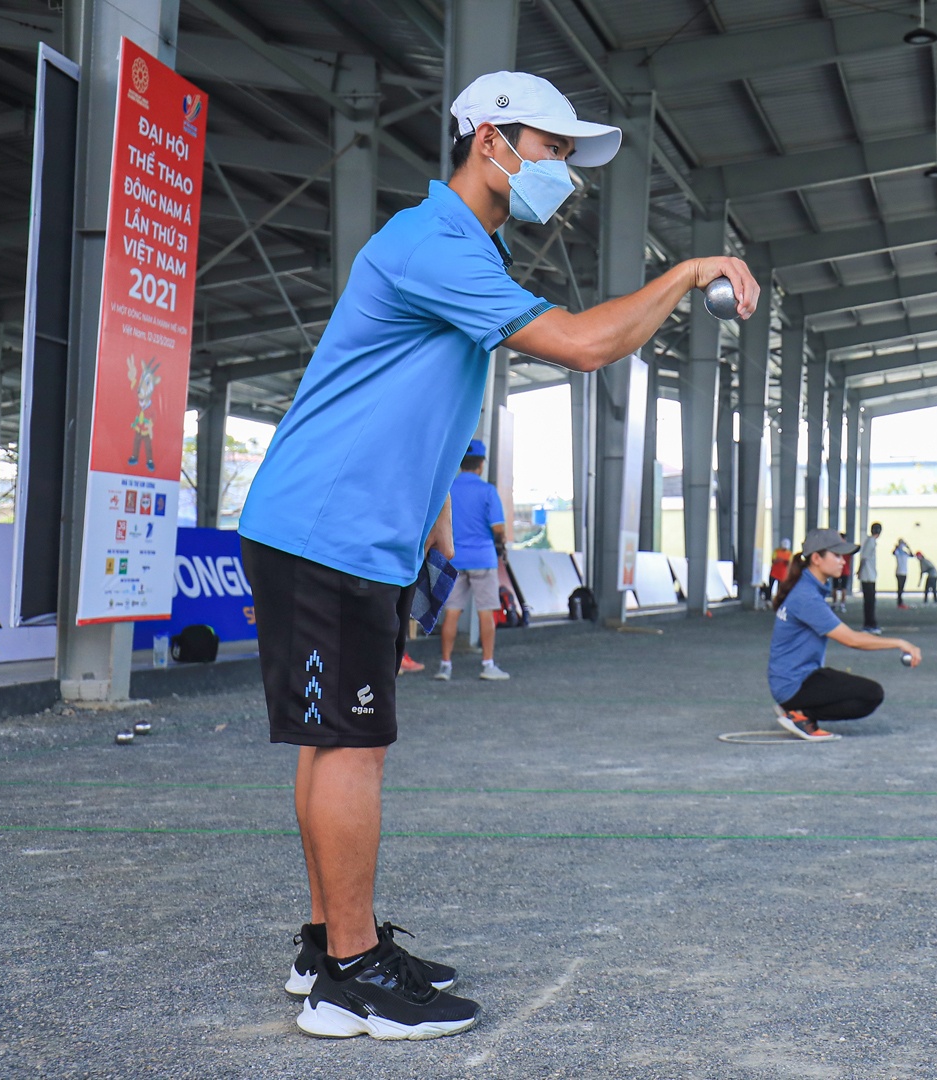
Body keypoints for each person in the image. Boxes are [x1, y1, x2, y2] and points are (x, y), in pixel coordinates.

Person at [237, 70, 760, 1041]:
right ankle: (350, 976)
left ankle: (330, 944)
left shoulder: (465, 247)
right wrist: (688, 273)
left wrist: (677, 289)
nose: (564, 169)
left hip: (345, 532)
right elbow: (583, 345)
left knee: (335, 740)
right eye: (552, 148)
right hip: (328, 527)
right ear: (490, 139)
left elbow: (586, 343)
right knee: (351, 745)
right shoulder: (432, 242)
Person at [768, 528, 922, 740]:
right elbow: (852, 640)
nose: (843, 561)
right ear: (816, 559)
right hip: (794, 684)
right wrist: (899, 643)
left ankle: (798, 710)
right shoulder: (807, 597)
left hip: (794, 679)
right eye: (837, 556)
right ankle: (800, 714)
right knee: (871, 695)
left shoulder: (807, 588)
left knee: (863, 692)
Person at [436, 439, 510, 682]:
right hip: (482, 559)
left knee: (452, 612)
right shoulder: (487, 491)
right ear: (481, 465)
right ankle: (487, 664)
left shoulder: (449, 489)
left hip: (454, 559)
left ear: (461, 464)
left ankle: (445, 665)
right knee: (485, 612)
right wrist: (502, 538)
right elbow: (498, 527)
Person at [857, 521, 882, 632]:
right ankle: (870, 624)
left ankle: (869, 623)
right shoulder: (870, 542)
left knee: (869, 601)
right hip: (868, 576)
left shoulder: (870, 541)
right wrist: (859, 571)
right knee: (870, 602)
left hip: (869, 575)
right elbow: (864, 558)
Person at [832, 533, 852, 612]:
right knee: (843, 588)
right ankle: (842, 604)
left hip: (836, 569)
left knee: (835, 587)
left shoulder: (835, 548)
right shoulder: (847, 549)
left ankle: (835, 603)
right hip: (845, 570)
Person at [769, 538, 793, 603]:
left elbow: (790, 564)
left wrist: (787, 563)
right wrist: (779, 560)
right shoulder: (776, 551)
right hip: (774, 573)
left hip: (782, 575)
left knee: (779, 589)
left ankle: (777, 601)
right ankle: (768, 599)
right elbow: (773, 561)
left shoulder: (789, 554)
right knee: (770, 587)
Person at [892, 537, 914, 608]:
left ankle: (900, 602)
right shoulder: (898, 552)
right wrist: (896, 547)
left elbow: (912, 555)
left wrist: (908, 547)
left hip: (904, 572)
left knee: (901, 588)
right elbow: (893, 553)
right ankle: (899, 602)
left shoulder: (905, 553)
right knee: (900, 587)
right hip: (899, 572)